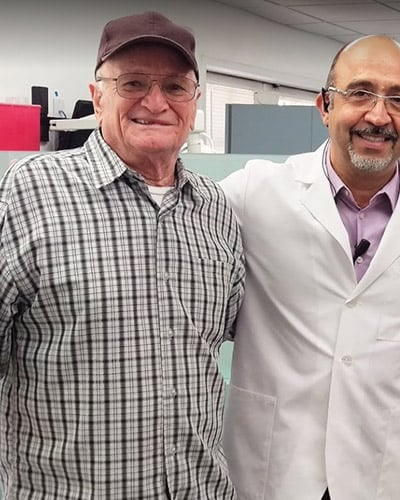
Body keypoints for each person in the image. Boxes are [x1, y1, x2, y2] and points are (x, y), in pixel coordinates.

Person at [220, 35, 400, 500]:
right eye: (361, 92)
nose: (378, 115)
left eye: (399, 99)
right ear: (325, 105)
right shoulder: (253, 194)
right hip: (273, 463)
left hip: (383, 467)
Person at [0, 12, 244, 498]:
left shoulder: (217, 209)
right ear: (98, 96)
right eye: (133, 82)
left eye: (175, 87)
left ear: (194, 102)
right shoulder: (28, 193)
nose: (156, 103)